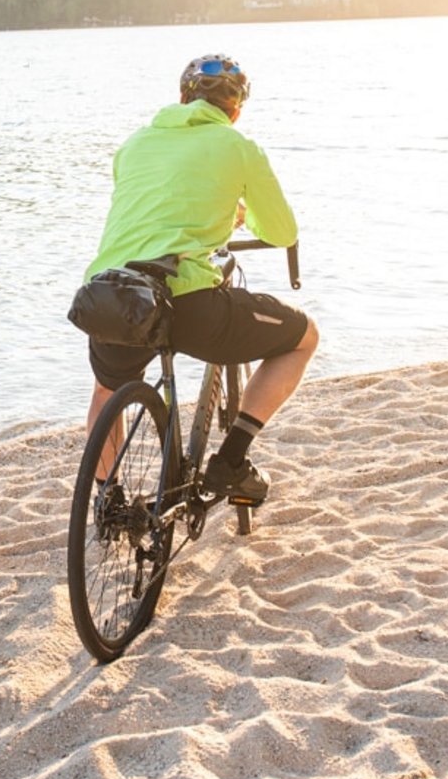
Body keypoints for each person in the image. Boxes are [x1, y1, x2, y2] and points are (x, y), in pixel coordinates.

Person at [82, 53, 318, 504]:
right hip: (187, 301)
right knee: (303, 337)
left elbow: (161, 210)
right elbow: (282, 231)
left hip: (113, 294)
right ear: (235, 110)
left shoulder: (134, 144)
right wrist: (241, 219)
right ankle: (230, 461)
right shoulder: (238, 147)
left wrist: (217, 218)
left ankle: (106, 499)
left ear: (181, 98)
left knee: (106, 389)